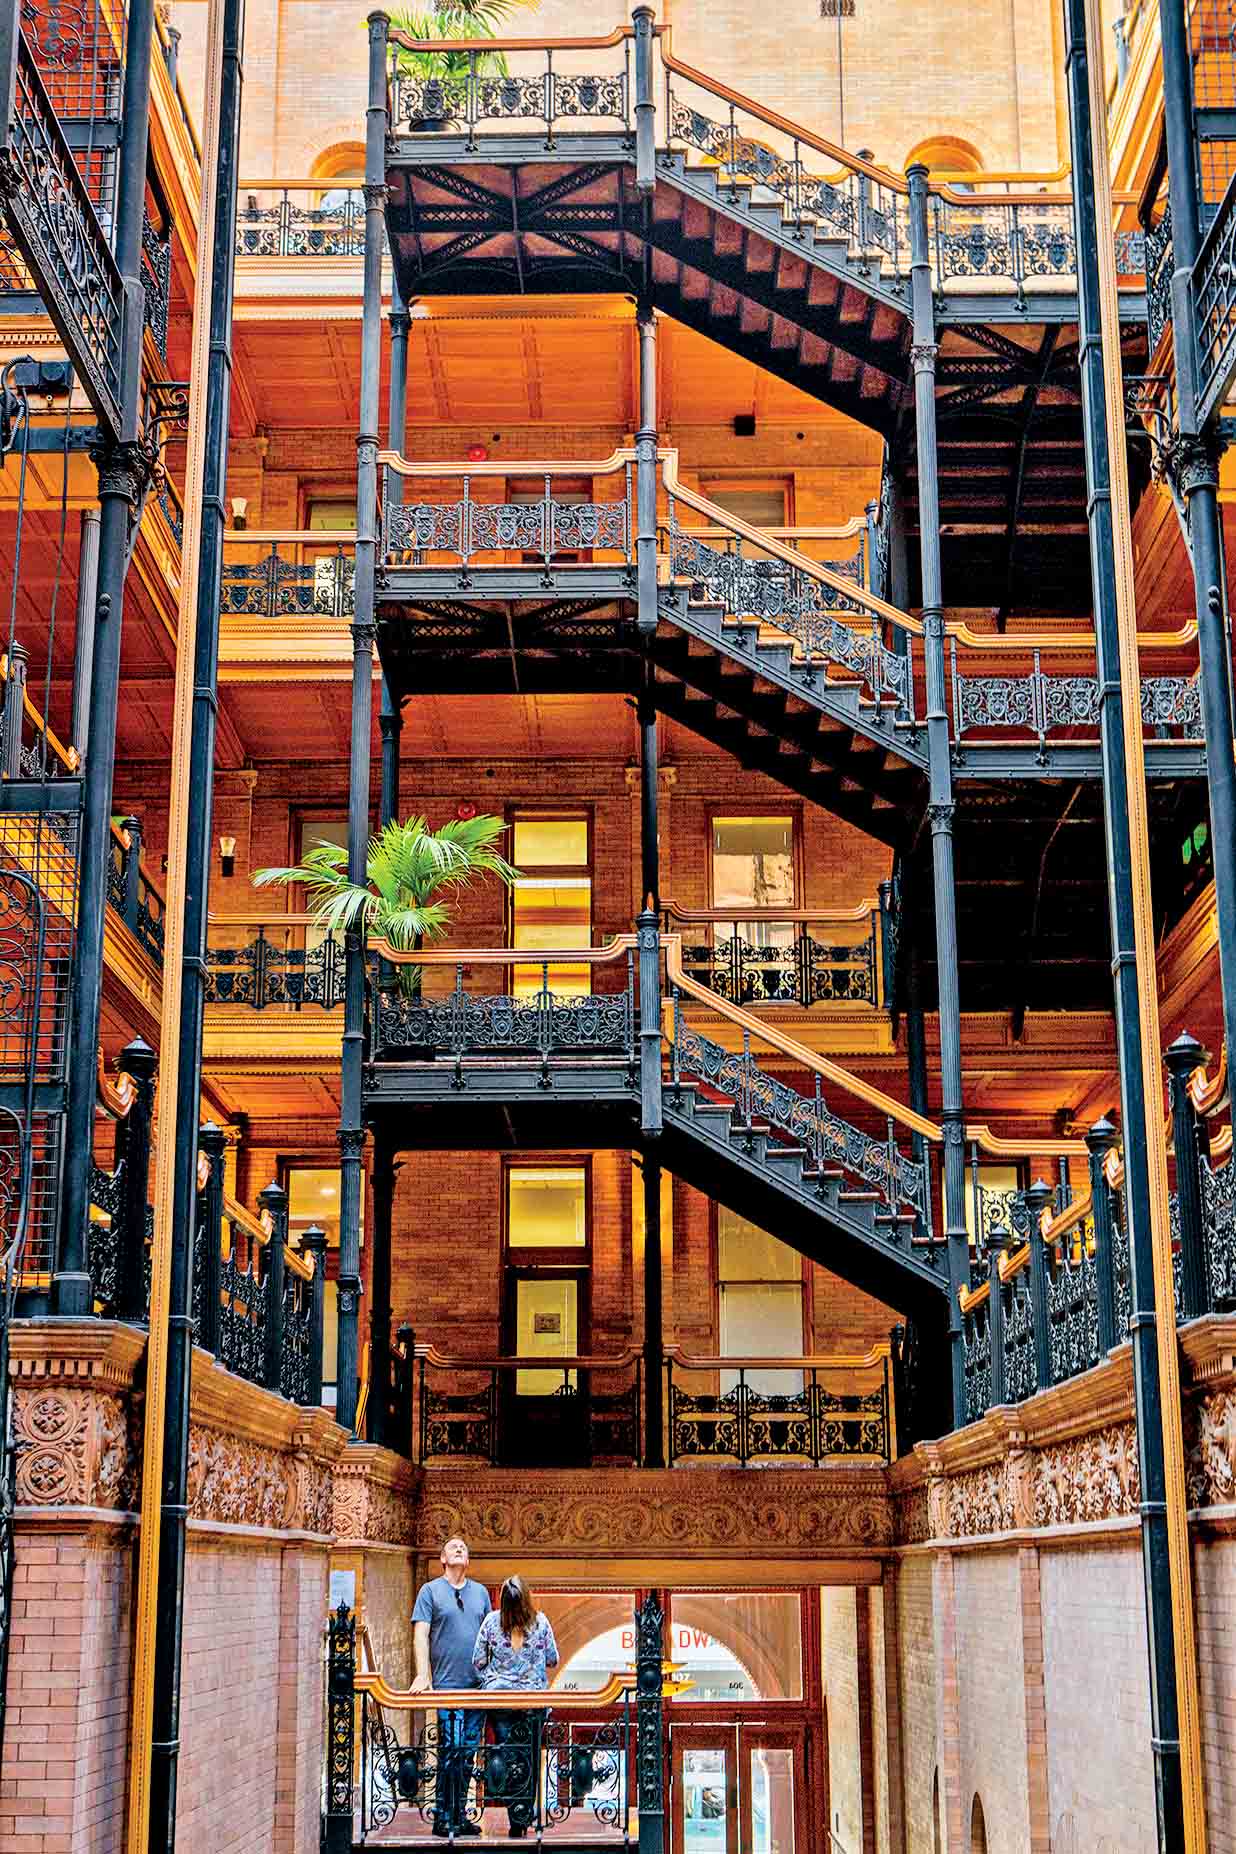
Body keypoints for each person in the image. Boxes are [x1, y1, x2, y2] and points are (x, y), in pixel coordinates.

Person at [411, 1537, 491, 1838]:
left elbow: (490, 1639)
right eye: (453, 1548)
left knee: (468, 1752)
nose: (459, 1550)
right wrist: (423, 1675)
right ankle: (443, 1816)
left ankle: (459, 1815)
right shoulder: (430, 1591)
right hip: (447, 1687)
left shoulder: (481, 1594)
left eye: (464, 1549)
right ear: (443, 1559)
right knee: (451, 1749)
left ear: (467, 1561)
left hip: (476, 1687)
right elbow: (421, 1634)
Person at [471, 1575, 559, 1838]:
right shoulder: (541, 1623)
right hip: (533, 1702)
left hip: (500, 1701)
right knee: (530, 1756)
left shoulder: (491, 1622)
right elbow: (553, 1659)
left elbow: (477, 1661)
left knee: (509, 1757)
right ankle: (524, 1814)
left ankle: (515, 1817)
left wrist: (494, 1678)